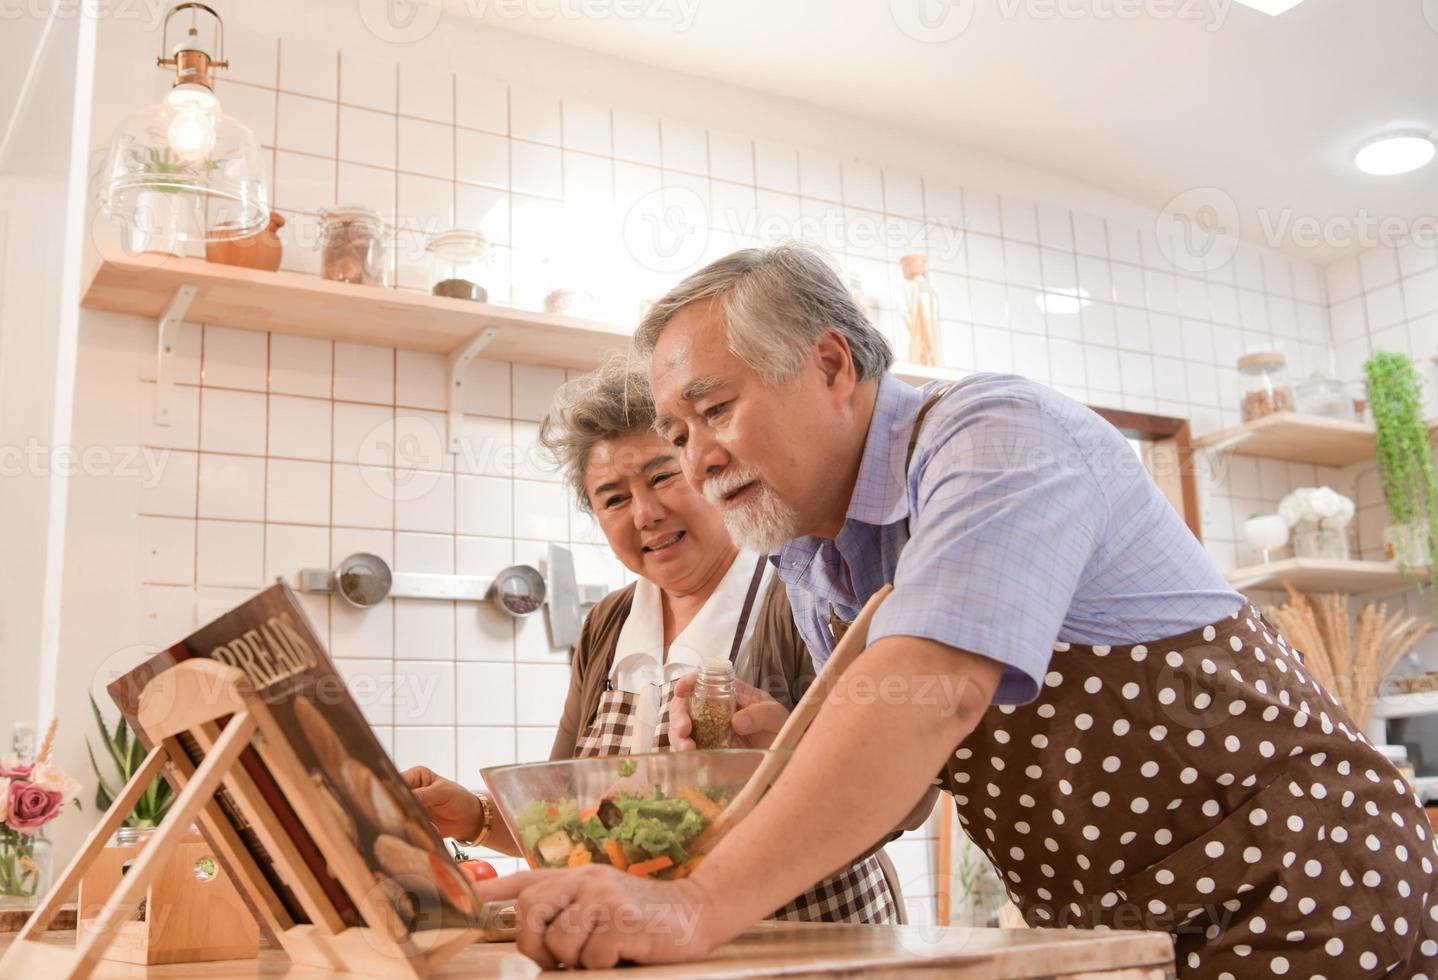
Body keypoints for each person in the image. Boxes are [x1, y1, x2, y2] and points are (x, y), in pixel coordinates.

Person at [474, 244, 1438, 978]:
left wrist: (690, 910)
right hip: (1123, 930)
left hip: (1305, 887)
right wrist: (785, 753)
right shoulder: (815, 556)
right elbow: (912, 786)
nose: (696, 461)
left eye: (712, 412)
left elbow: (933, 693)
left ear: (831, 366)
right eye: (677, 433)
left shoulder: (994, 435)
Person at [402, 354, 913, 924]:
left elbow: (898, 799)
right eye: (613, 498)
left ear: (710, 469)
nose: (645, 513)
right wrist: (474, 817)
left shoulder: (799, 592)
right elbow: (572, 825)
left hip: (810, 939)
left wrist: (790, 762)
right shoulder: (608, 624)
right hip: (653, 946)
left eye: (663, 476)